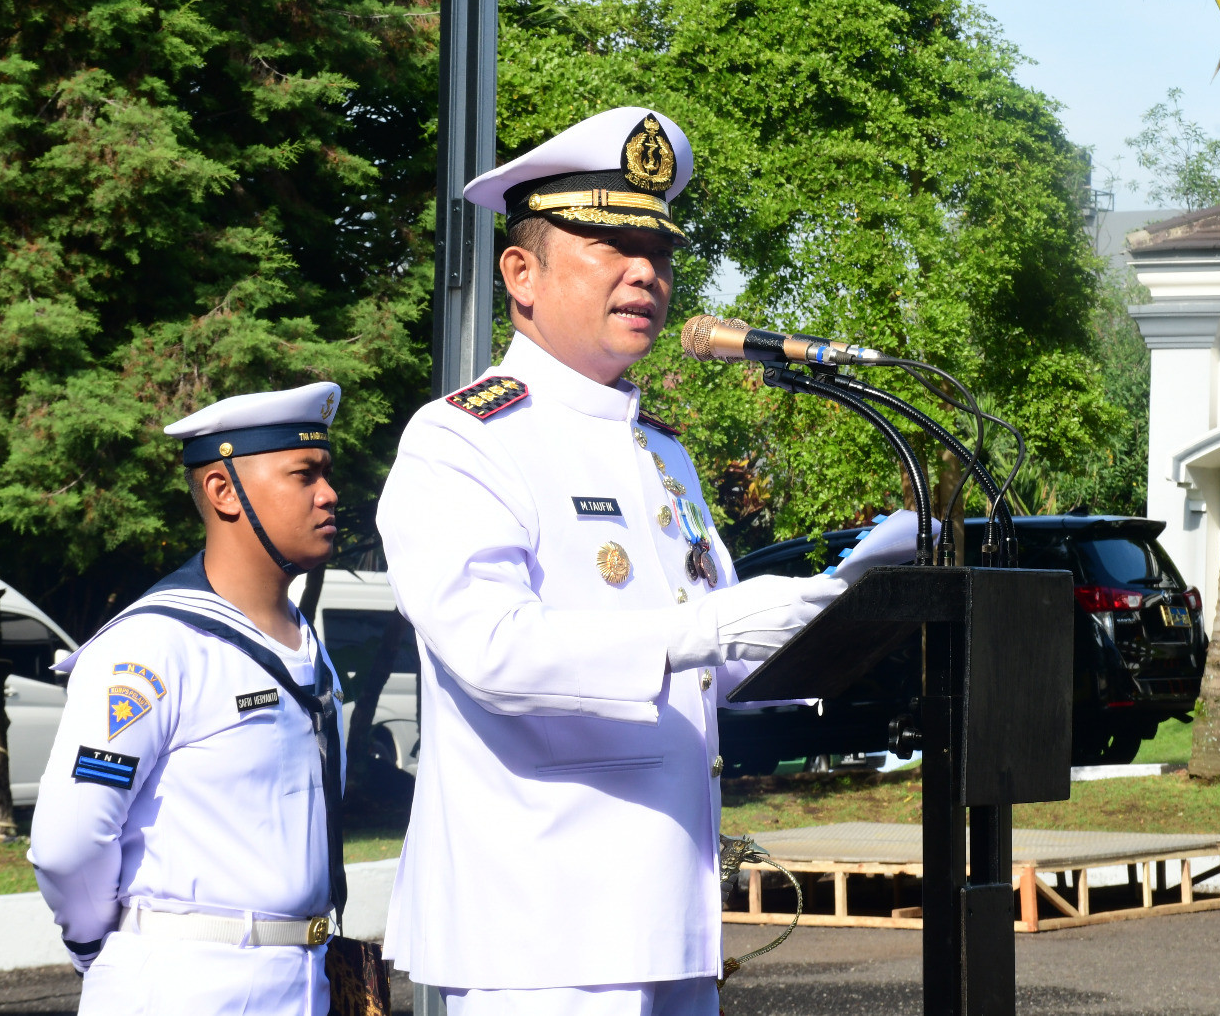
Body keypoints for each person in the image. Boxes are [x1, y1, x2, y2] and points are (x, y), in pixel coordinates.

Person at [377, 107, 902, 1015]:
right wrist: (707, 629)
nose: (645, 273)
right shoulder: (462, 439)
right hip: (539, 930)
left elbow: (710, 666)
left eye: (658, 252)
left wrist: (836, 621)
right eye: (611, 244)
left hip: (668, 917)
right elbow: (492, 648)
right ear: (521, 273)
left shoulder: (661, 453)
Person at [29, 383, 348, 1016]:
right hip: (187, 983)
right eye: (304, 474)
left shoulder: (305, 641)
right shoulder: (153, 646)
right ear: (223, 493)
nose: (330, 494)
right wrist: (98, 947)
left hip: (303, 978)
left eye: (327, 474)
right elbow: (69, 840)